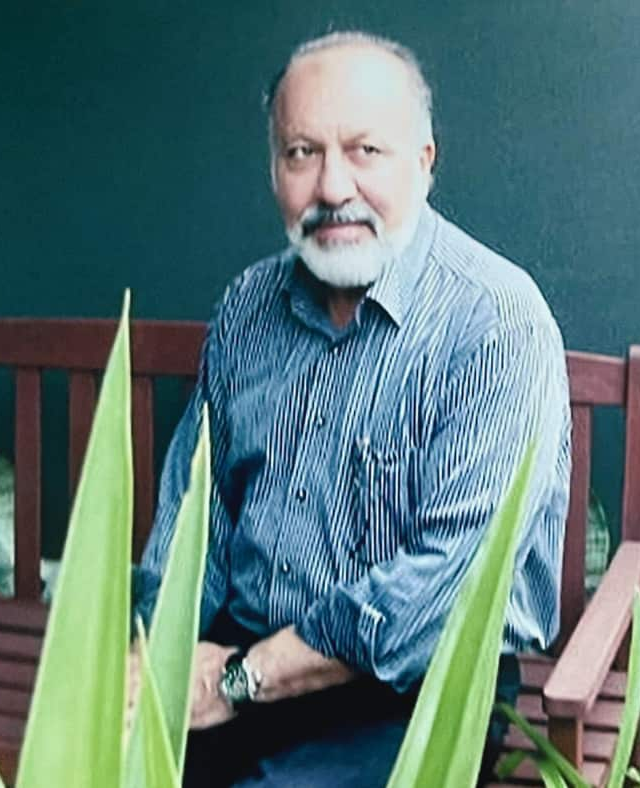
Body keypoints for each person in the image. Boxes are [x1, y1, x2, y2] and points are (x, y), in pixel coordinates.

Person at [132, 30, 571, 787]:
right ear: (274, 171)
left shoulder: (497, 323)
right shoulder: (247, 308)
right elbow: (191, 516)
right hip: (237, 658)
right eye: (302, 153)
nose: (333, 187)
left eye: (365, 151)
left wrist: (242, 679)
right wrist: (153, 653)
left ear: (425, 162)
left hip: (413, 687)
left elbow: (450, 584)